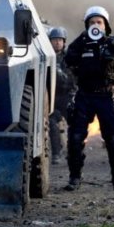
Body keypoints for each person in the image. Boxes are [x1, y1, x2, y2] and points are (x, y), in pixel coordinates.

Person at [63, 6, 114, 192]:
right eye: (92, 22)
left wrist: (112, 43)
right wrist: (83, 41)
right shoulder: (82, 42)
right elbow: (68, 58)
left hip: (106, 95)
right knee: (75, 137)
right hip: (84, 95)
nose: (95, 25)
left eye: (99, 22)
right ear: (87, 25)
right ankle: (75, 178)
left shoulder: (111, 41)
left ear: (105, 25)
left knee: (113, 138)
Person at [48, 26, 76, 164]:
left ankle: (73, 153)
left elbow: (72, 78)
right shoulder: (46, 58)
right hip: (52, 97)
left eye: (60, 40)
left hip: (66, 95)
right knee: (52, 123)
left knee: (75, 124)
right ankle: (56, 154)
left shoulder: (69, 58)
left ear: (64, 42)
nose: (57, 43)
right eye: (54, 40)